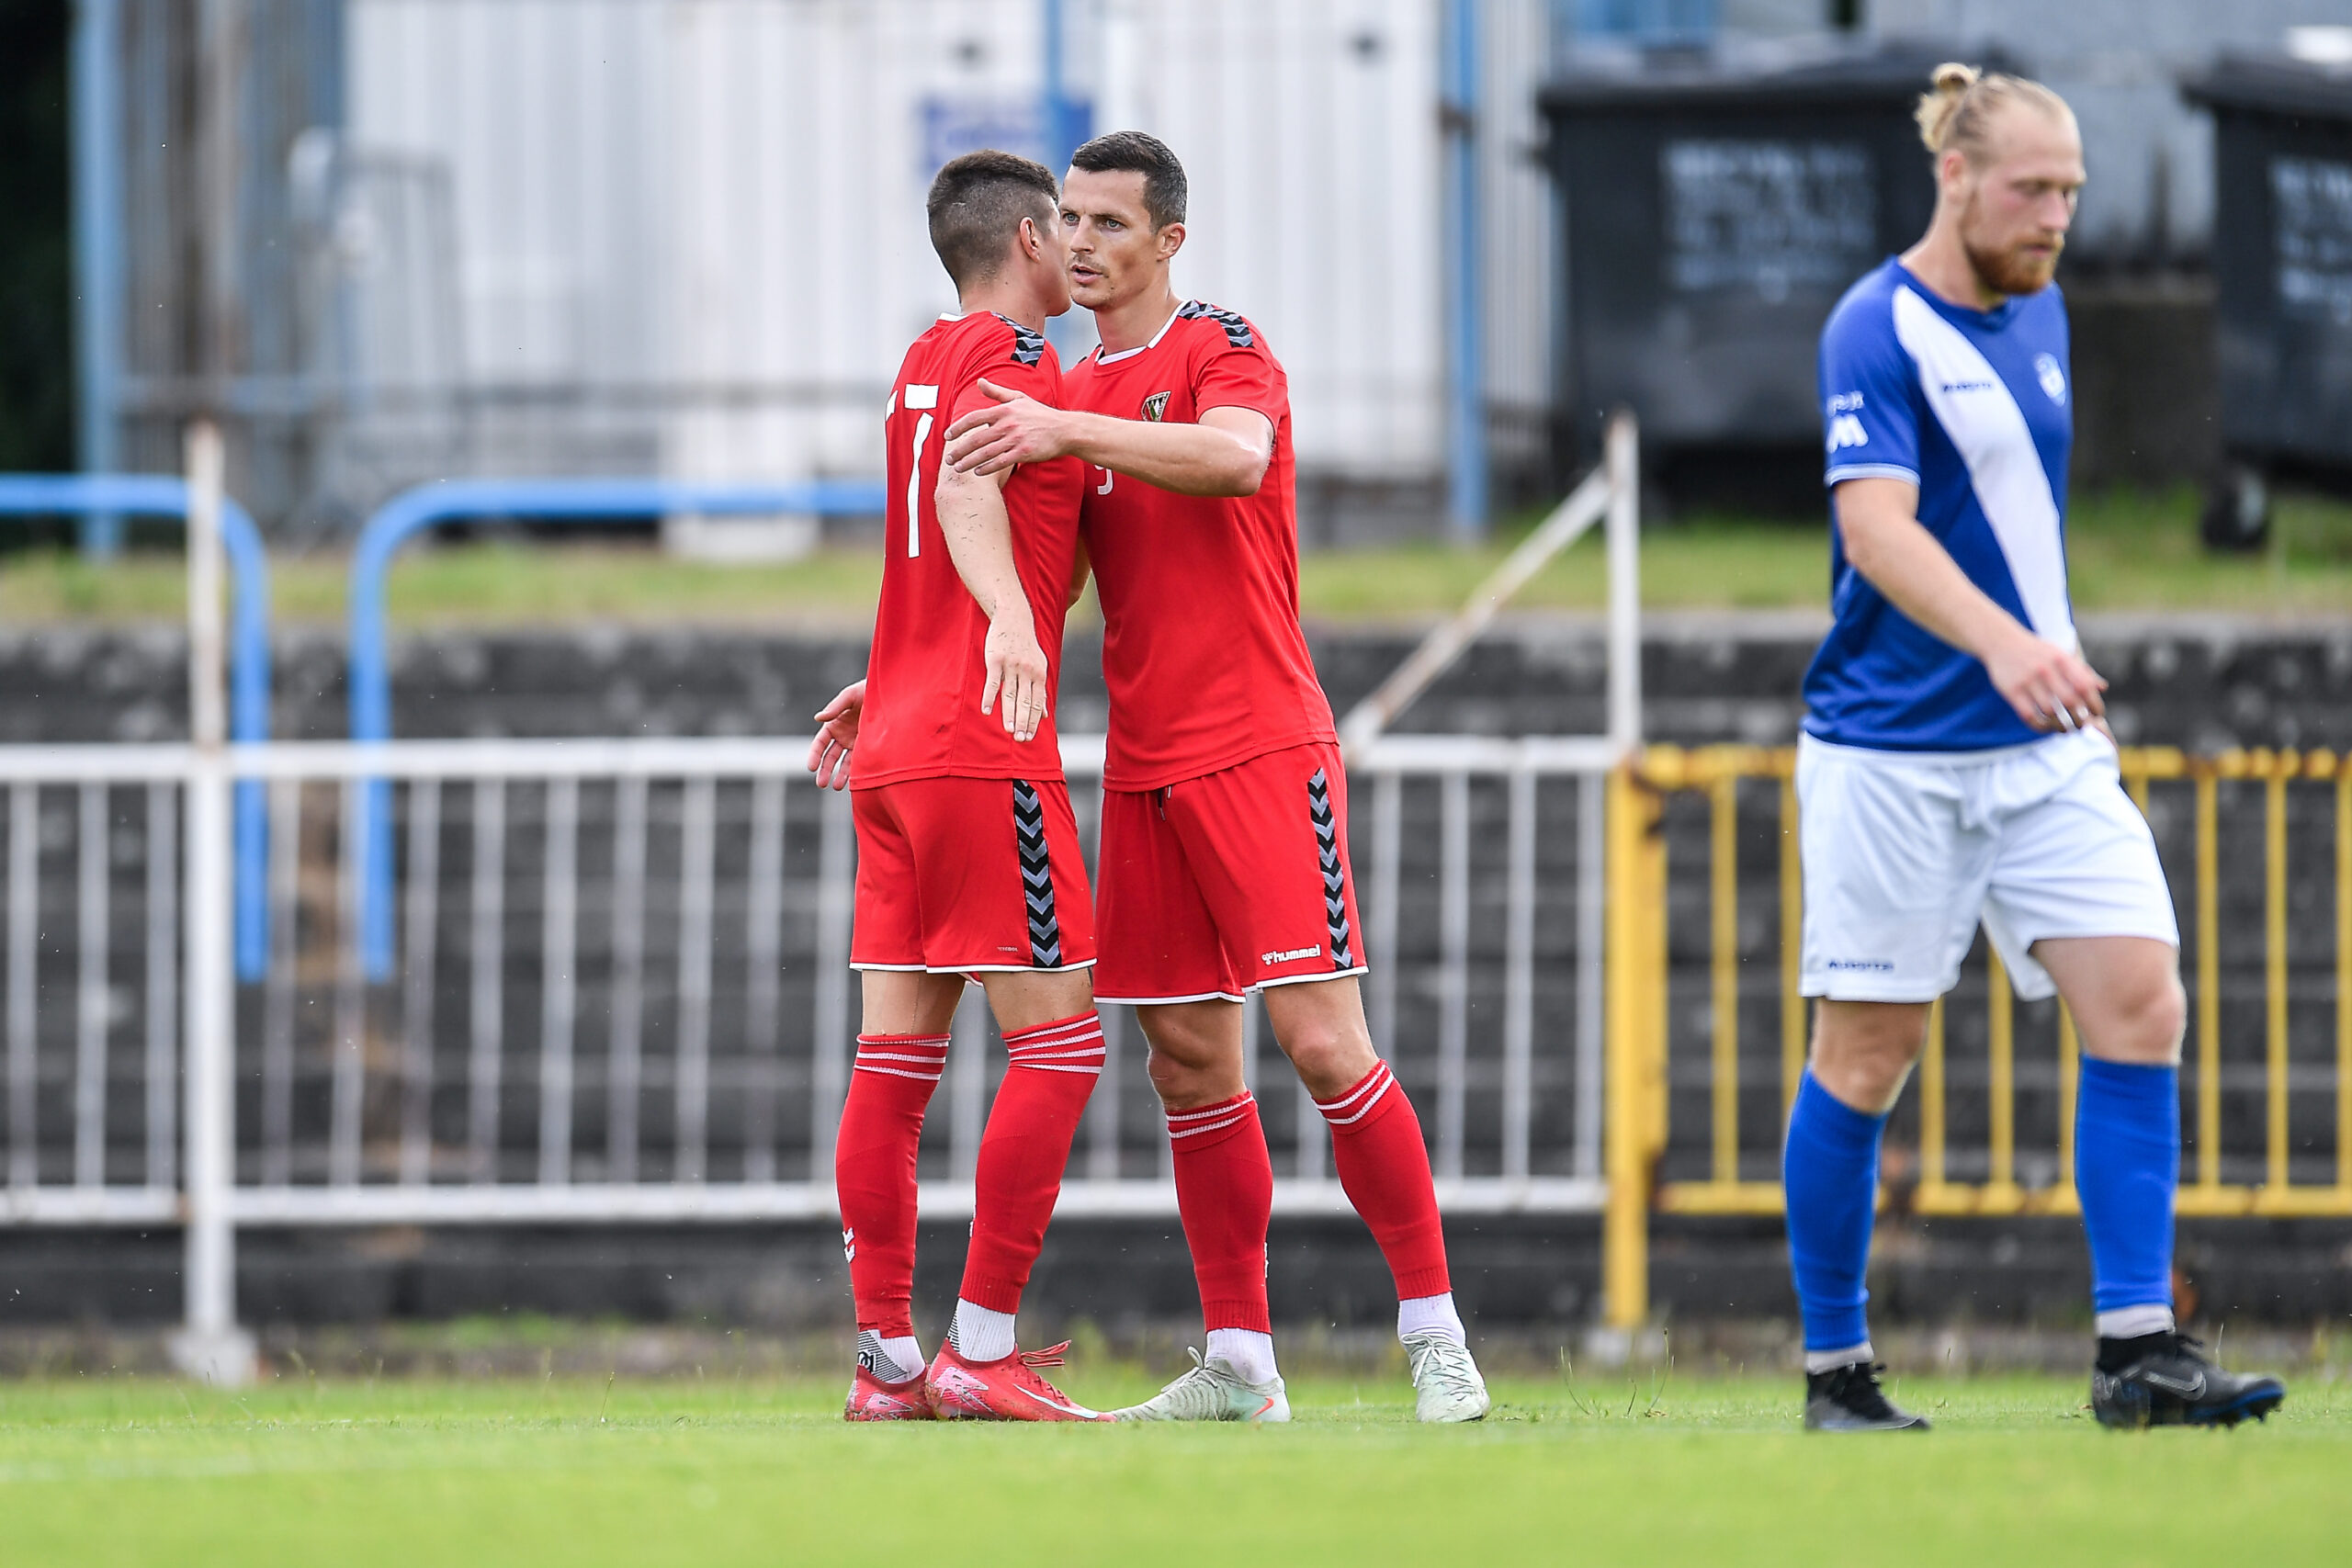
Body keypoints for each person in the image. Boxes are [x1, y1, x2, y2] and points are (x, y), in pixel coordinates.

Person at [940, 130, 1490, 1424]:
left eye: (1111, 224)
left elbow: (1234, 456)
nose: (1081, 243)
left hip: (1260, 744)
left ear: (1169, 241)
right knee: (1188, 1059)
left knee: (1322, 1040)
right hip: (1146, 767)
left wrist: (1065, 427)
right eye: (1071, 220)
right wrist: (912, 667)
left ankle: (1436, 1334)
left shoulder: (1218, 346)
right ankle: (1241, 1360)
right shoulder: (1069, 393)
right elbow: (1050, 582)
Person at [1788, 64, 2285, 1431]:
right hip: (1893, 755)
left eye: (2070, 190)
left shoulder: (2044, 306)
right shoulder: (1875, 325)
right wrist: (2008, 644)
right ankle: (1837, 1372)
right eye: (2032, 189)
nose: (2057, 215)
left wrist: (2032, 657)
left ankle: (2139, 1353)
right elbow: (1876, 530)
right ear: (1955, 176)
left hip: (2047, 747)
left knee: (2142, 1001)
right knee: (1866, 1057)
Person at [806, 149, 1107, 1423]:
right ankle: (980, 1349)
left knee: (892, 1065)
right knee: (1063, 1047)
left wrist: (895, 669)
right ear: (1030, 240)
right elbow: (964, 494)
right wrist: (1011, 623)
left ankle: (885, 1363)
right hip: (985, 742)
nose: (1080, 250)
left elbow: (928, 530)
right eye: (1067, 228)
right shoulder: (1024, 361)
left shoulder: (918, 365)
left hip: (897, 741)